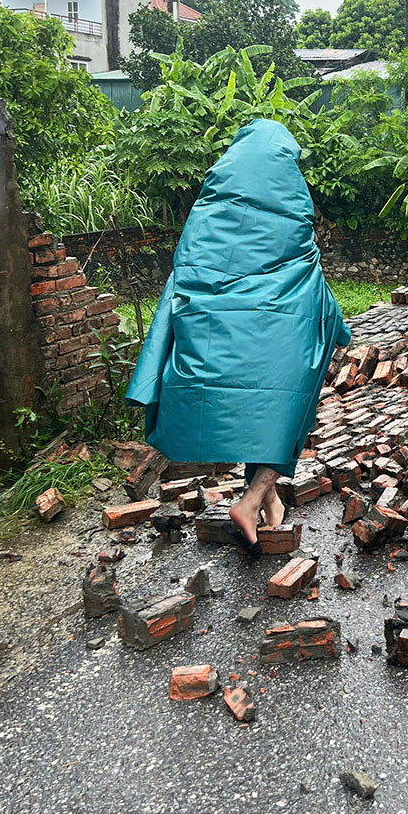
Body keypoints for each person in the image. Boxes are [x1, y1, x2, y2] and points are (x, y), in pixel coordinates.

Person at [126, 119, 350, 555]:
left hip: (217, 332)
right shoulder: (291, 198)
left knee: (260, 416)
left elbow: (186, 271)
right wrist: (333, 323)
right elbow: (306, 271)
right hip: (279, 328)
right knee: (287, 411)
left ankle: (270, 508)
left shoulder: (208, 207)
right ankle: (249, 503)